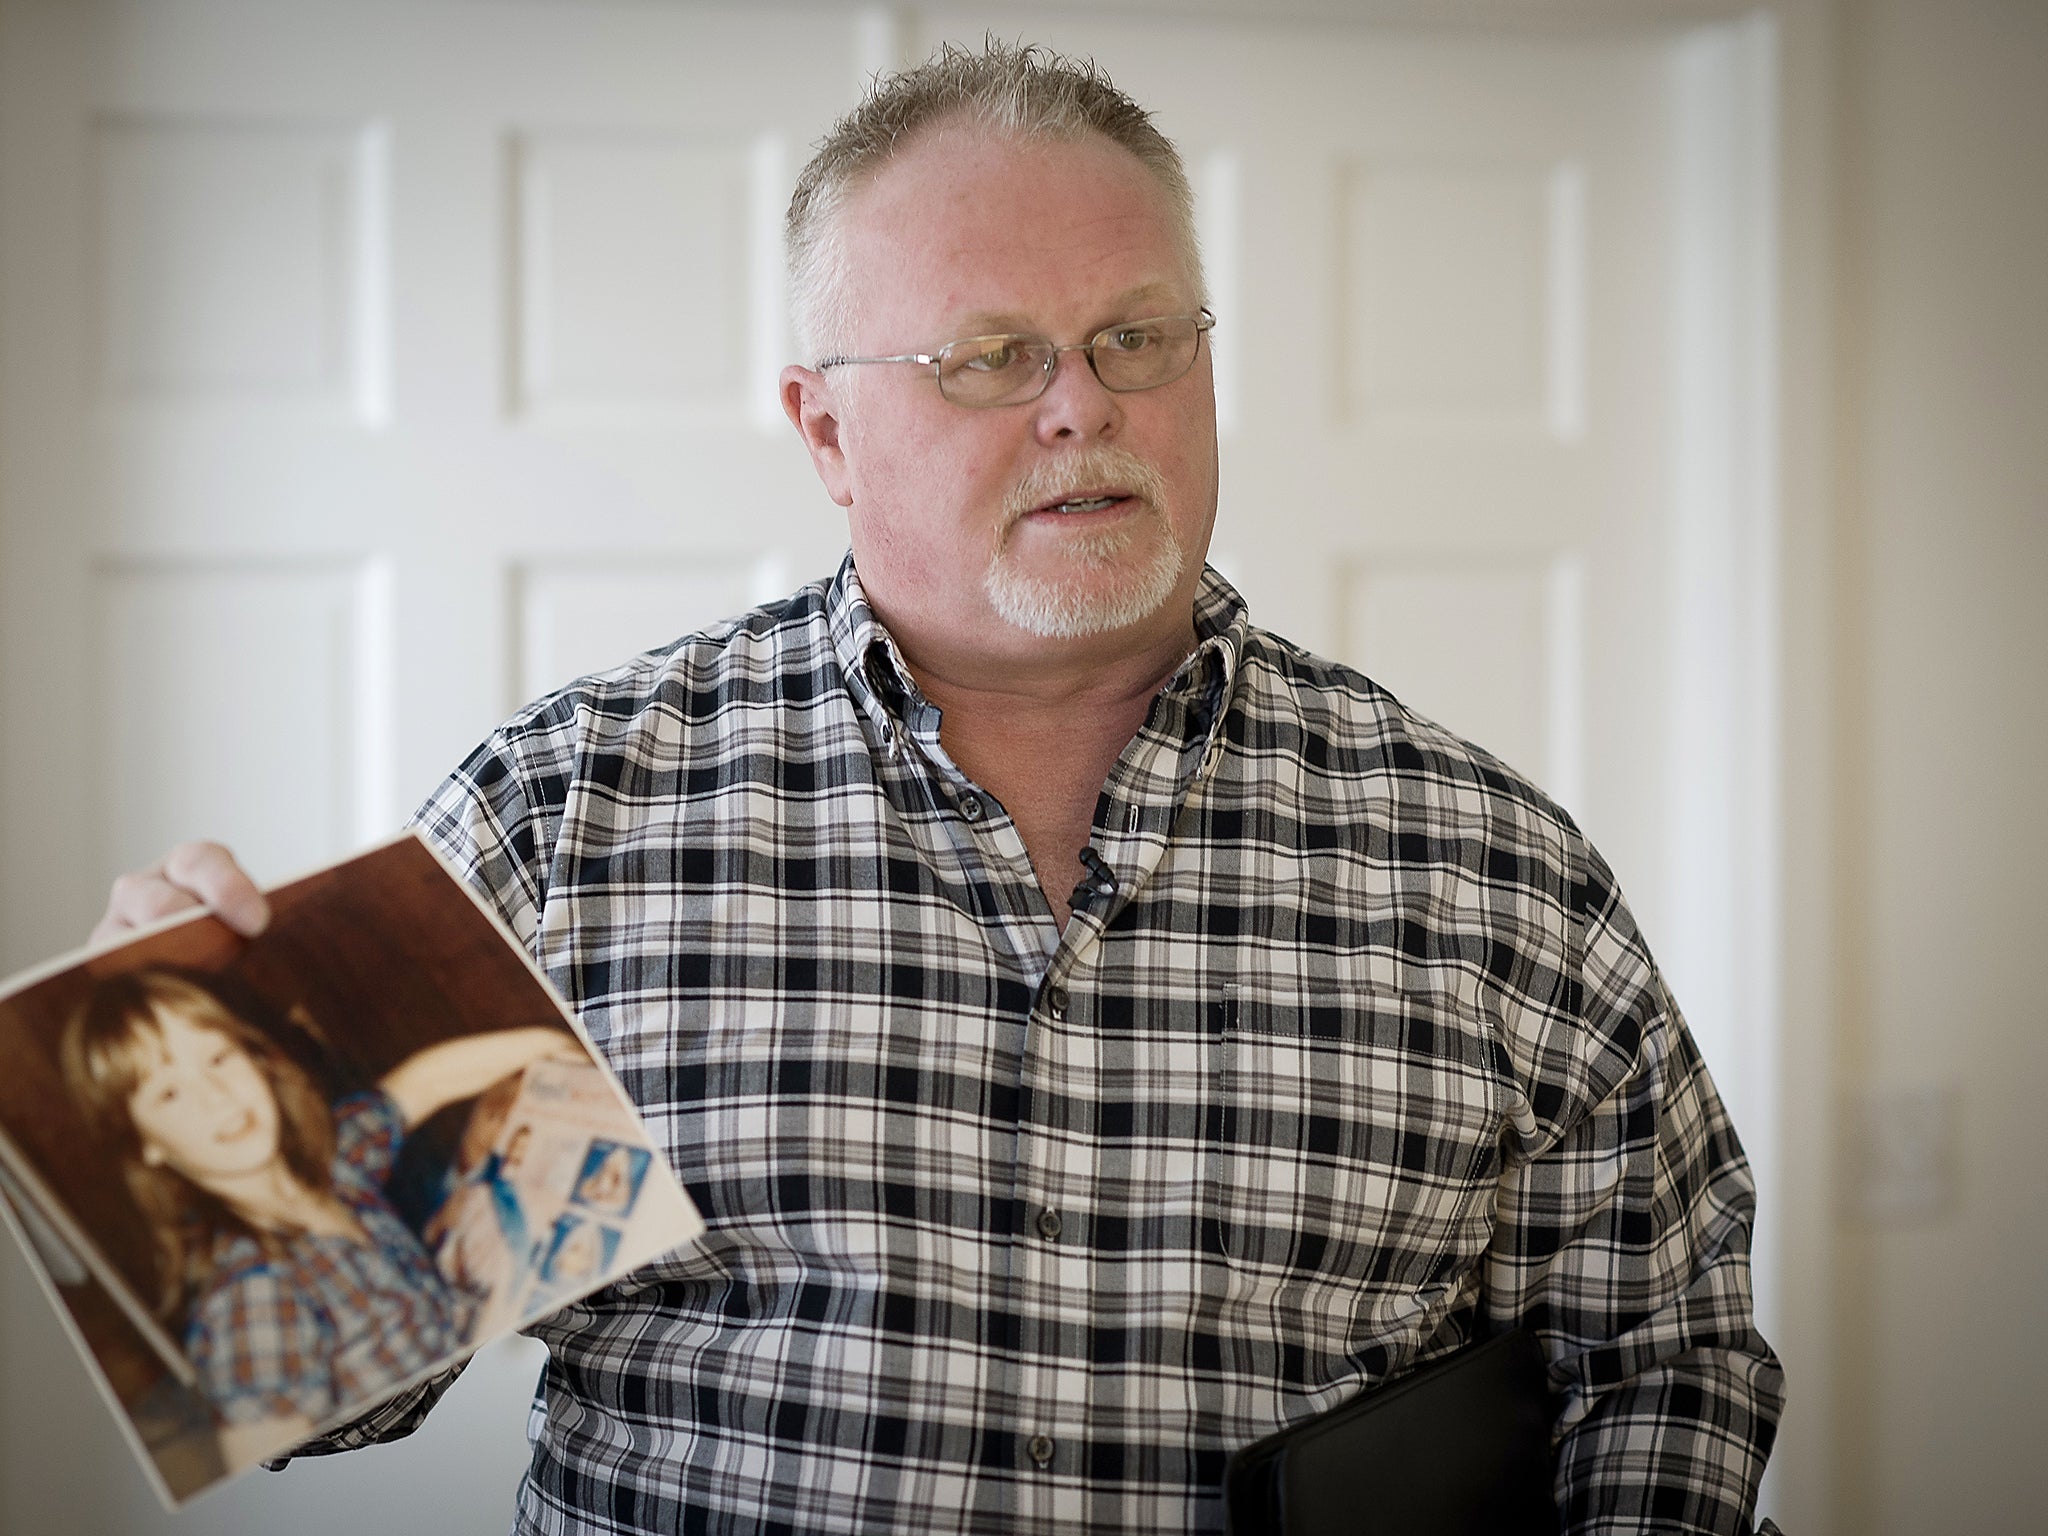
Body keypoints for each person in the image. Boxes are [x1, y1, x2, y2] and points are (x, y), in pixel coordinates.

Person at [91, 42, 1784, 1536]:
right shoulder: (571, 820)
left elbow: (1660, 1352)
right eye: (988, 355)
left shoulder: (1487, 866)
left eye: (1138, 337)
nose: (1081, 407)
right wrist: (174, 1103)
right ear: (822, 432)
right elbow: (326, 1382)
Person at [61, 965, 571, 1472]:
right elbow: (263, 1438)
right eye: (168, 1092)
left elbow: (422, 1082)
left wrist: (549, 1045)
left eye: (218, 1056)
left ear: (254, 1057)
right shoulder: (252, 1296)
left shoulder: (335, 1163)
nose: (216, 1095)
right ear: (142, 1142)